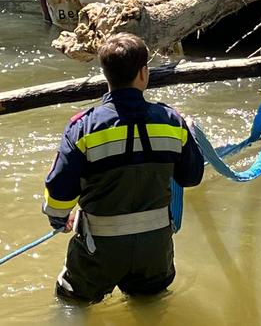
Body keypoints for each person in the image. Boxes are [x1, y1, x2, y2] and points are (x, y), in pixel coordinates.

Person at [42, 33, 204, 303]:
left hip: (99, 249)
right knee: (150, 305)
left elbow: (59, 193)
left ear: (106, 74)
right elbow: (191, 177)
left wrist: (60, 220)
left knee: (72, 302)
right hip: (155, 249)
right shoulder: (172, 122)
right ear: (144, 73)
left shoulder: (82, 128)